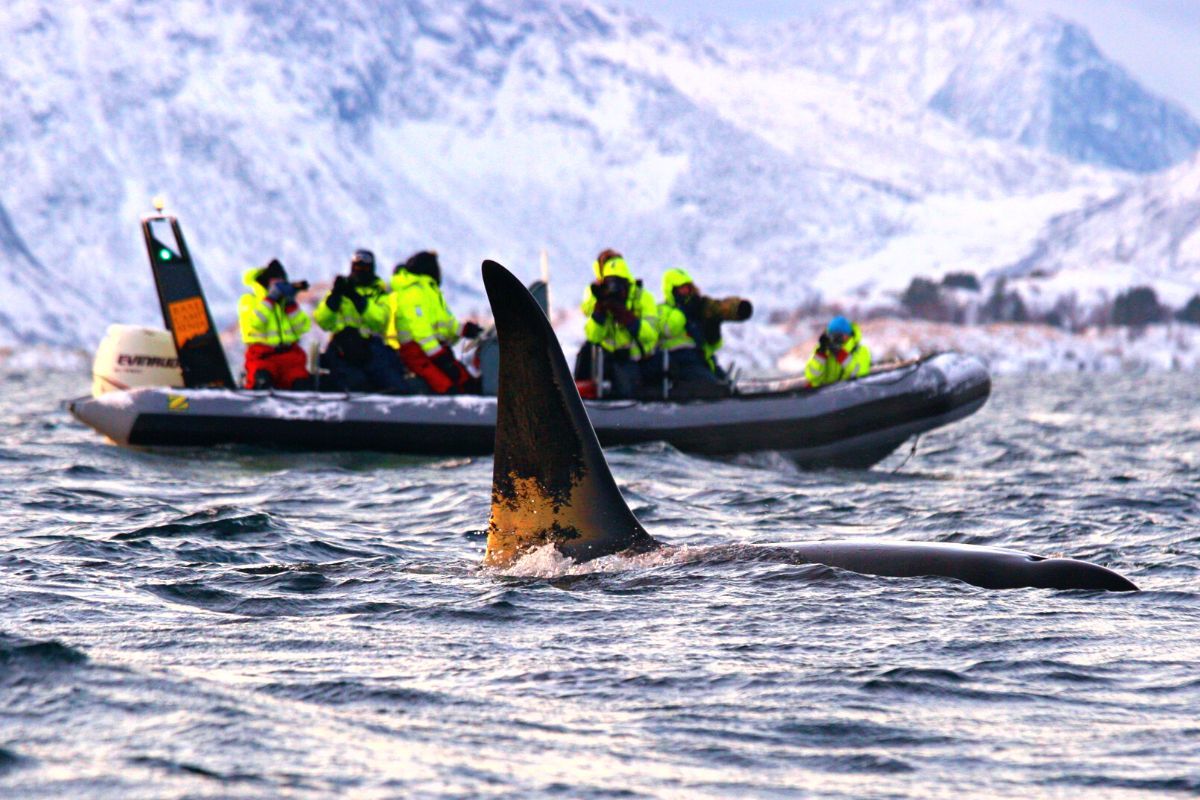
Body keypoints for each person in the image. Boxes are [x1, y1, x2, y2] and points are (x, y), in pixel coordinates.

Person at [314, 249, 417, 392]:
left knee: (394, 382)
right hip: (342, 348)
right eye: (357, 266)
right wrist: (334, 299)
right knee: (352, 381)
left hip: (371, 348)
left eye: (365, 267)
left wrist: (357, 299)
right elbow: (323, 321)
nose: (360, 271)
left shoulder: (379, 293)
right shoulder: (340, 291)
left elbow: (380, 320)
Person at [388, 250, 483, 394]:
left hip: (436, 350)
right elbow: (421, 332)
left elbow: (444, 323)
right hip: (417, 353)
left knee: (468, 384)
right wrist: (440, 358)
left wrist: (465, 329)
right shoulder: (412, 292)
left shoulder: (429, 291)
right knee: (448, 388)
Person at [576, 250, 658, 399]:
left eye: (618, 284)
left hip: (635, 360)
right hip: (605, 357)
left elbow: (651, 334)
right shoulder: (598, 297)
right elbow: (593, 336)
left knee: (625, 384)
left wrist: (629, 318)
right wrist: (599, 313)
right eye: (610, 284)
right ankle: (579, 400)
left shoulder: (643, 298)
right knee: (586, 353)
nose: (613, 289)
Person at [656, 268, 748, 398]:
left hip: (702, 359)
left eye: (688, 288)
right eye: (681, 289)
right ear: (671, 290)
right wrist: (682, 311)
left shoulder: (696, 309)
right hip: (680, 362)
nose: (686, 292)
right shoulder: (662, 310)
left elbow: (714, 346)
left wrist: (713, 325)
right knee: (714, 388)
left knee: (730, 389)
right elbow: (668, 328)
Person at [238, 258, 313, 390]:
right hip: (262, 356)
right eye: (275, 281)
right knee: (262, 381)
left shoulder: (285, 303)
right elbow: (254, 324)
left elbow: (303, 327)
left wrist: (291, 304)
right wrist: (269, 300)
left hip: (290, 358)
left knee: (302, 385)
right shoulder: (250, 300)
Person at [804, 315, 871, 388]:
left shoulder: (860, 350)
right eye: (831, 334)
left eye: (838, 335)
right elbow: (811, 377)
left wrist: (841, 354)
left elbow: (860, 373)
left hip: (849, 394)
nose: (834, 338)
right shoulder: (822, 350)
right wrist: (820, 354)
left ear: (848, 335)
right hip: (826, 396)